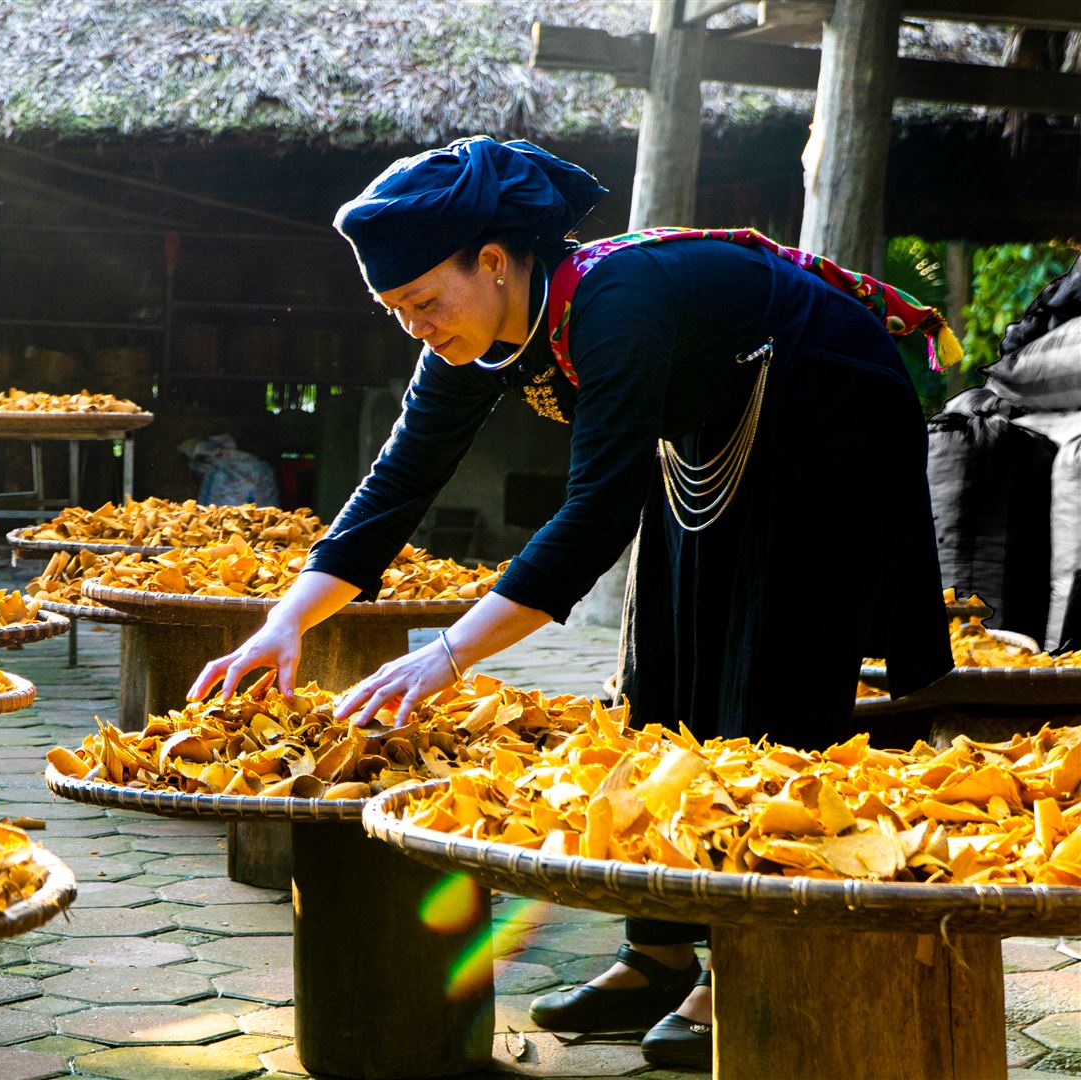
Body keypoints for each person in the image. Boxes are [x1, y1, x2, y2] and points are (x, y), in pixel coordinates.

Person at [188, 136, 955, 1069]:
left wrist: (448, 653)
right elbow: (398, 483)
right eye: (397, 313)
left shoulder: (613, 307)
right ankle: (659, 950)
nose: (416, 328)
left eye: (425, 302)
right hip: (718, 421)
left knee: (768, 679)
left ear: (497, 263)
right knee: (658, 676)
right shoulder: (465, 341)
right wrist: (286, 621)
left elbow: (594, 515)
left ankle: (744, 961)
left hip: (827, 395)